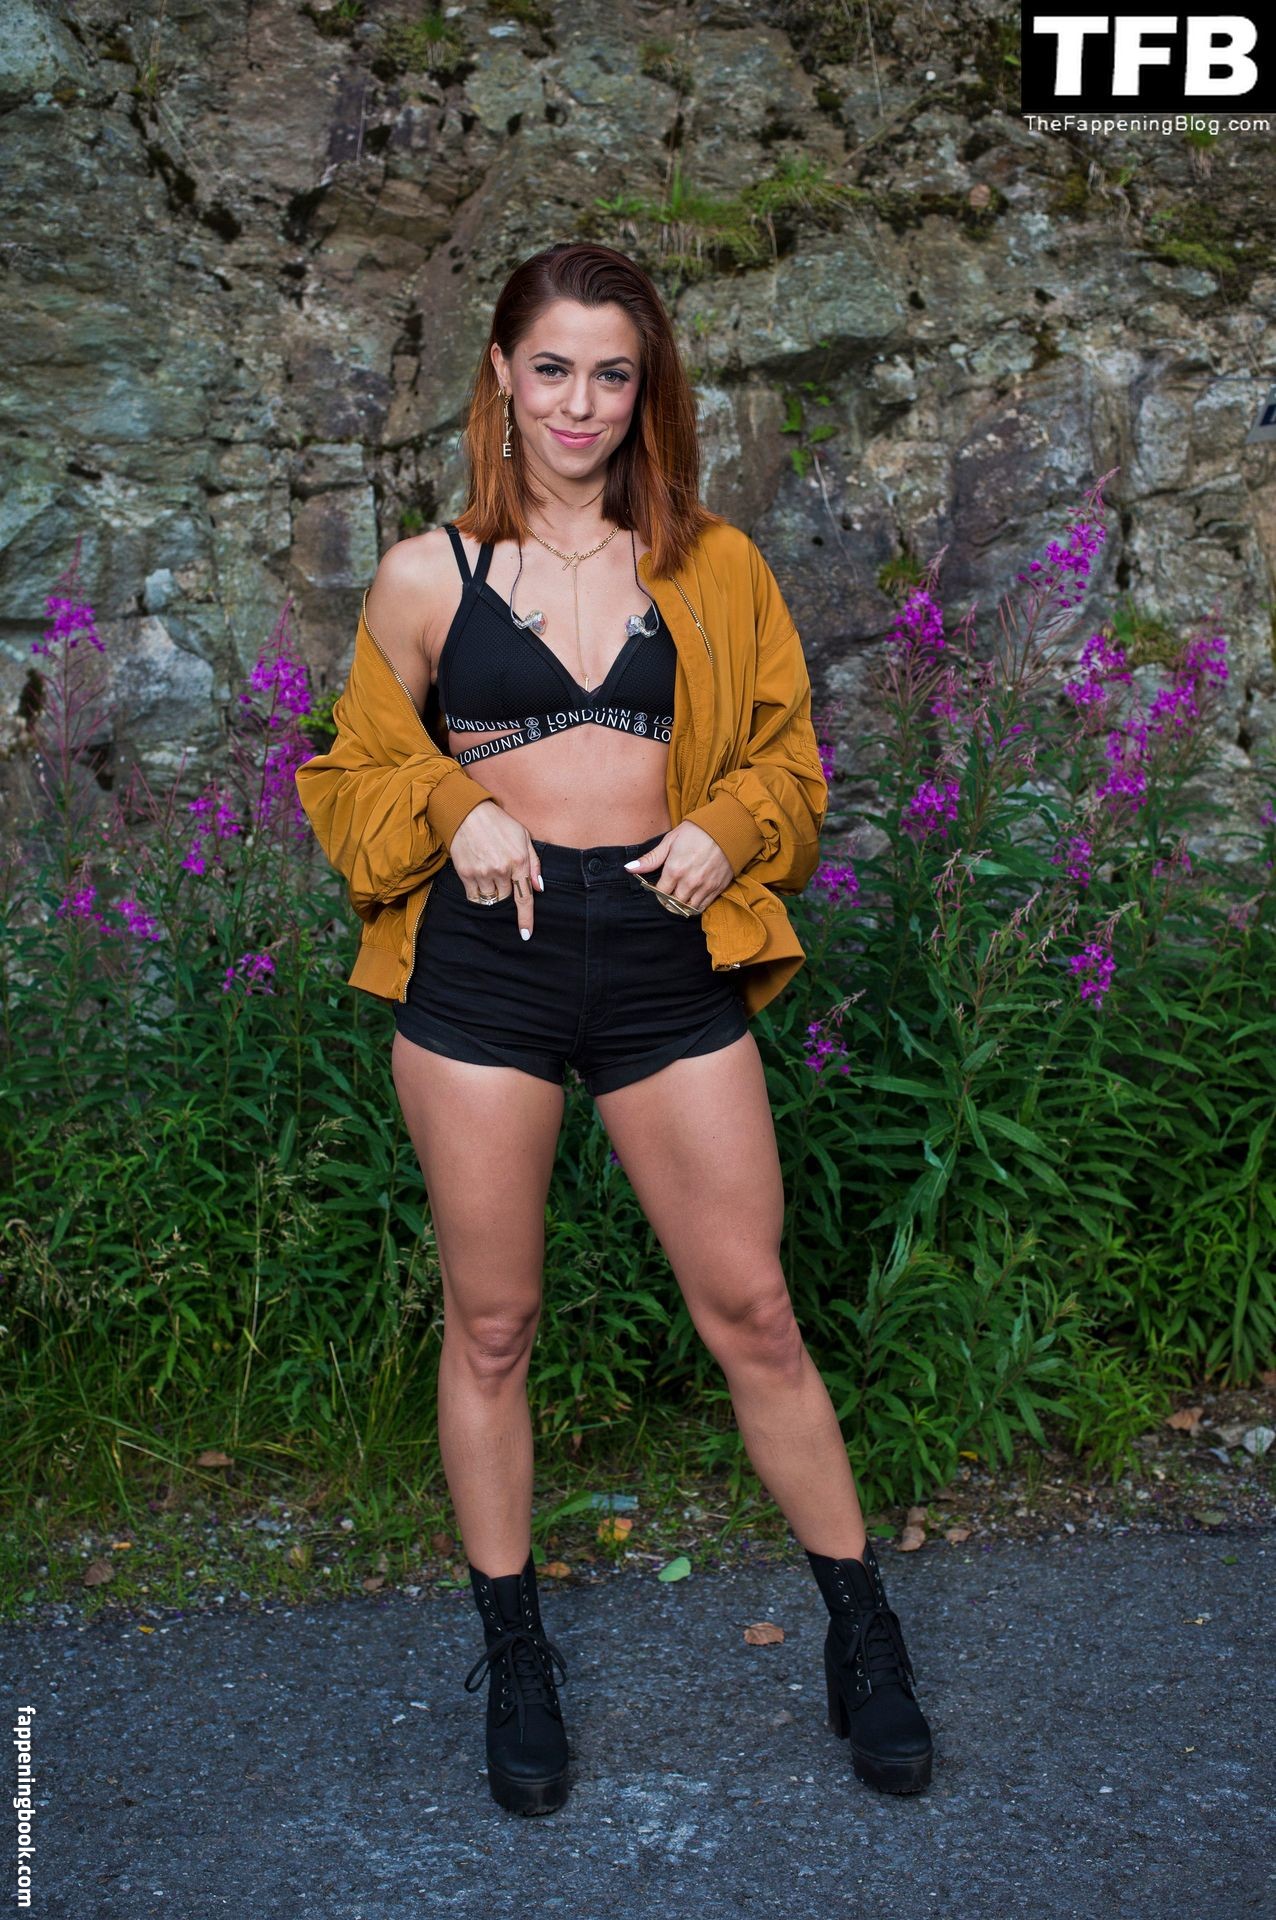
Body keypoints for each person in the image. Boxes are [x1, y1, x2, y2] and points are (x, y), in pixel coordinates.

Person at [295, 241, 934, 1816]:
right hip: (487, 967)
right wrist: (452, 808)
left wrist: (730, 826)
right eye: (553, 368)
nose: (580, 402)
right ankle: (515, 1656)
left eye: (612, 372)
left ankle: (863, 1635)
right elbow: (354, 772)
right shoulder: (426, 577)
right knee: (493, 1325)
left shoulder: (714, 568)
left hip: (663, 952)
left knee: (755, 1311)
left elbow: (788, 763)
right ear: (503, 377)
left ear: (646, 391)